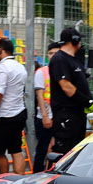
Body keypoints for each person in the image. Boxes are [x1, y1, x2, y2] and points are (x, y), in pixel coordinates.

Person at [0, 38, 28, 175]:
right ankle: (19, 182)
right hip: (19, 112)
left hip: (5, 115)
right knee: (16, 150)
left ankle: (4, 181)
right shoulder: (20, 67)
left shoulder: (2, 68)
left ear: (1, 50)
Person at [49, 27, 92, 155]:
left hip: (77, 114)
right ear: (73, 40)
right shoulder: (60, 59)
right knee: (63, 152)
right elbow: (66, 86)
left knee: (76, 151)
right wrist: (86, 101)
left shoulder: (75, 60)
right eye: (78, 39)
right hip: (66, 114)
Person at [33, 42, 60, 172]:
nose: (52, 56)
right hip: (45, 117)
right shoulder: (41, 72)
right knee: (42, 149)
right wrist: (45, 116)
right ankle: (37, 174)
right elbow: (40, 96)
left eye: (55, 53)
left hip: (60, 117)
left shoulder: (64, 71)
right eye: (50, 53)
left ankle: (52, 172)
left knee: (57, 148)